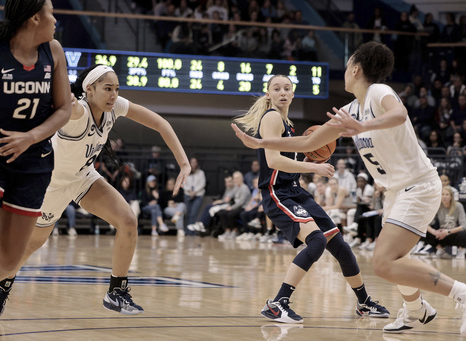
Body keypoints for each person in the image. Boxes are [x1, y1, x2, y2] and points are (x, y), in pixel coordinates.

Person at [232, 41, 466, 334]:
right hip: (396, 191)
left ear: (356, 68)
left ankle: (461, 293)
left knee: (382, 262)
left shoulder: (378, 92)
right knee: (395, 260)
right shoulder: (349, 109)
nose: (344, 72)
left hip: (418, 185)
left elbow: (400, 115)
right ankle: (416, 310)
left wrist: (362, 127)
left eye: (347, 67)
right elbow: (307, 143)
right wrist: (262, 143)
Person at [0, 64, 190, 319]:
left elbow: (160, 123)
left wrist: (183, 162)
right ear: (89, 90)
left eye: (116, 88)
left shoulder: (115, 107)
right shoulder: (78, 110)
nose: (113, 94)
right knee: (32, 244)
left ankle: (116, 292)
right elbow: (66, 108)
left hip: (83, 178)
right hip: (52, 184)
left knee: (128, 220)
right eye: (107, 89)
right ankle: (5, 280)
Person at [233, 74, 389, 324]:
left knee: (340, 246)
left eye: (287, 88)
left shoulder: (290, 123)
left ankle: (364, 302)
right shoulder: (272, 118)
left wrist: (305, 162)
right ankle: (277, 303)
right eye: (277, 88)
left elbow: (287, 165)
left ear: (293, 94)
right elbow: (273, 162)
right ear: (268, 95)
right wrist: (314, 169)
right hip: (277, 193)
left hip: (295, 191)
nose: (282, 92)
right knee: (316, 241)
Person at [0, 0, 72, 323]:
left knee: (9, 261)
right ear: (35, 17)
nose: (55, 19)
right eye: (51, 12)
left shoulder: (54, 52)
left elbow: (64, 109)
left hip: (34, 161)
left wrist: (31, 137)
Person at [184, 156, 206, 226]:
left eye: (194, 162)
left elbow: (202, 184)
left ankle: (191, 232)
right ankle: (187, 231)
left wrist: (194, 192)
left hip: (198, 195)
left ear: (197, 163)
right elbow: (183, 183)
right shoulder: (186, 172)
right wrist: (189, 191)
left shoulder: (201, 173)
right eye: (192, 162)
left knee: (193, 214)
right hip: (188, 194)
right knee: (187, 213)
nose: (193, 164)